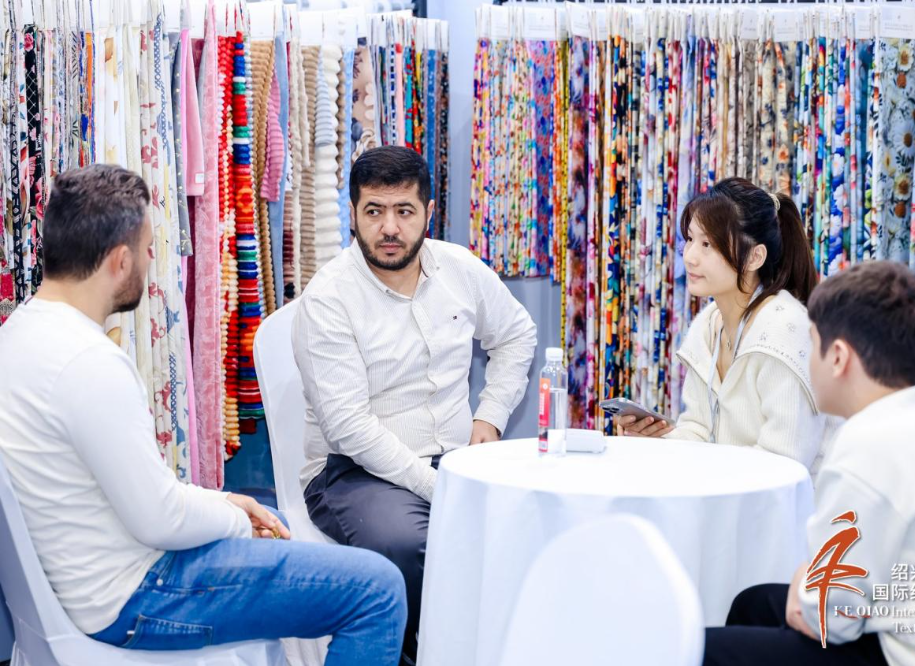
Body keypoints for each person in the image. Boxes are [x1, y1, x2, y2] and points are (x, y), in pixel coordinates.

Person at [0, 165, 406, 666]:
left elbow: (137, 493)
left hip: (94, 580)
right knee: (377, 590)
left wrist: (229, 502)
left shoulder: (19, 332)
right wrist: (234, 519)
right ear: (120, 261)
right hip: (136, 595)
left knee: (275, 523)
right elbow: (160, 520)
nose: (151, 260)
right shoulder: (88, 363)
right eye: (147, 249)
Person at [293, 146, 537, 663]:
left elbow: (517, 335)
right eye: (374, 211)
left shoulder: (459, 268)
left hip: (455, 458)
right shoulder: (329, 298)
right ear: (352, 214)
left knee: (530, 527)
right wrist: (438, 486)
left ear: (428, 212)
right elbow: (349, 427)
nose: (389, 228)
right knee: (411, 547)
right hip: (352, 472)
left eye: (404, 211)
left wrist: (490, 418)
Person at [703, 261, 915, 666]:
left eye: (811, 345)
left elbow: (824, 617)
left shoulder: (869, 444)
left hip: (913, 654)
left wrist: (806, 585)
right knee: (753, 603)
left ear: (839, 357)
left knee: (698, 649)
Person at [619, 178, 829, 473]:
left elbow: (784, 464)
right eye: (690, 239)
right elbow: (700, 432)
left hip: (795, 501)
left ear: (755, 257)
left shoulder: (784, 331)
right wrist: (657, 442)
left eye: (708, 244)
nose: (689, 257)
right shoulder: (708, 327)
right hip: (731, 495)